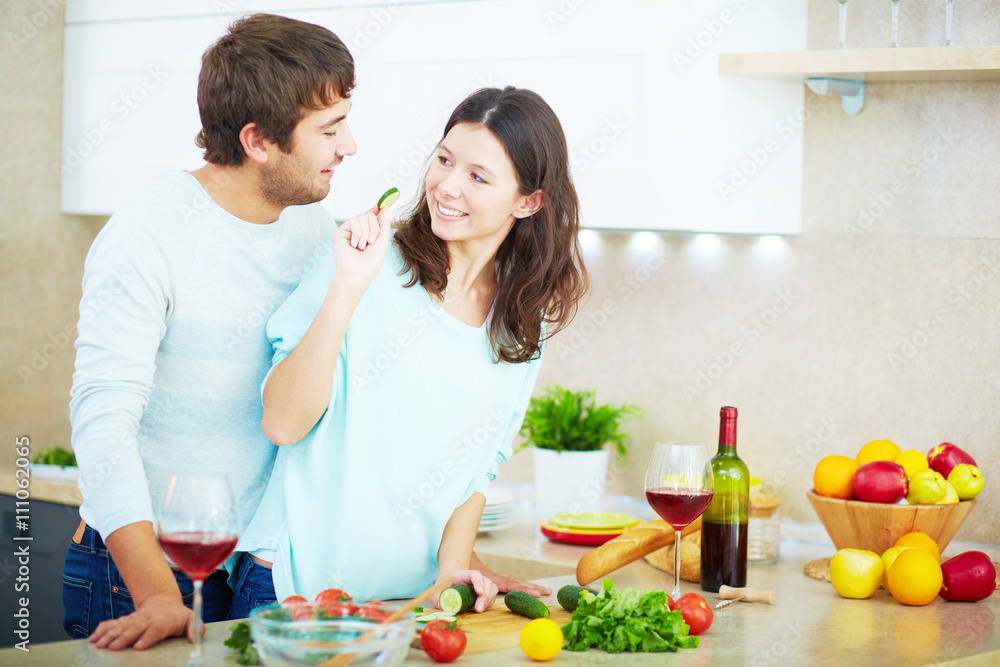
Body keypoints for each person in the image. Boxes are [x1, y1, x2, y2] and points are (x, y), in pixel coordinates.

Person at [231, 86, 589, 614]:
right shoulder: (367, 258)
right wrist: (350, 285)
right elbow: (283, 422)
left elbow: (478, 470)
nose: (446, 186)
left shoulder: (518, 324)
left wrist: (453, 569)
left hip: (408, 604)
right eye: (444, 160)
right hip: (293, 592)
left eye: (478, 176)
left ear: (528, 200)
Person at [63, 13, 357, 650]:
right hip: (134, 574)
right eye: (330, 129)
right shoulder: (151, 231)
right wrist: (158, 596)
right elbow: (101, 419)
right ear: (257, 141)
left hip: (239, 570)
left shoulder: (315, 231)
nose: (349, 146)